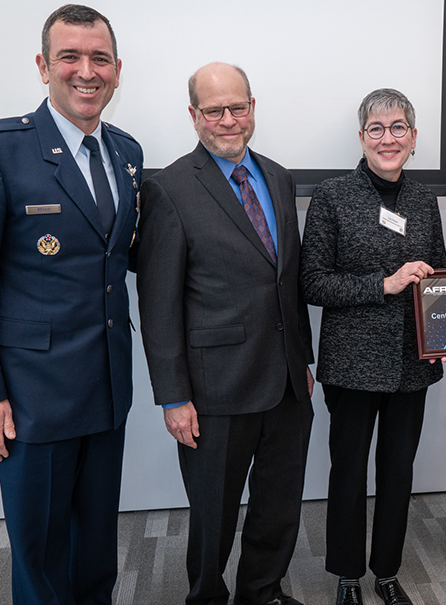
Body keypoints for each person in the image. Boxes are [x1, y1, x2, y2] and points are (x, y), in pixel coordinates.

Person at [0, 4, 141, 605]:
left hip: (106, 387)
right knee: (42, 559)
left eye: (99, 58)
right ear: (43, 66)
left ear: (117, 70)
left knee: (96, 550)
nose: (86, 71)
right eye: (69, 57)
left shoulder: (126, 153)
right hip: (32, 395)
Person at [137, 62, 314, 605]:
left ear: (253, 107)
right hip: (214, 389)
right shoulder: (168, 189)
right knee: (212, 513)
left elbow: (287, 279)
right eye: (214, 110)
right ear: (194, 116)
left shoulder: (278, 177)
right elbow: (158, 303)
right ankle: (206, 596)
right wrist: (173, 395)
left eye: (238, 107)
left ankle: (262, 591)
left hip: (285, 379)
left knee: (279, 503)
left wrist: (302, 359)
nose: (229, 119)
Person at [300, 88, 446, 605]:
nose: (388, 138)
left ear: (414, 137)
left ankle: (385, 571)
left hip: (411, 365)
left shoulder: (425, 201)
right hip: (352, 365)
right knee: (350, 472)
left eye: (398, 127)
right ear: (362, 138)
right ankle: (347, 577)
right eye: (377, 129)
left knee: (399, 471)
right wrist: (384, 283)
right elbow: (312, 283)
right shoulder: (332, 196)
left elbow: (440, 282)